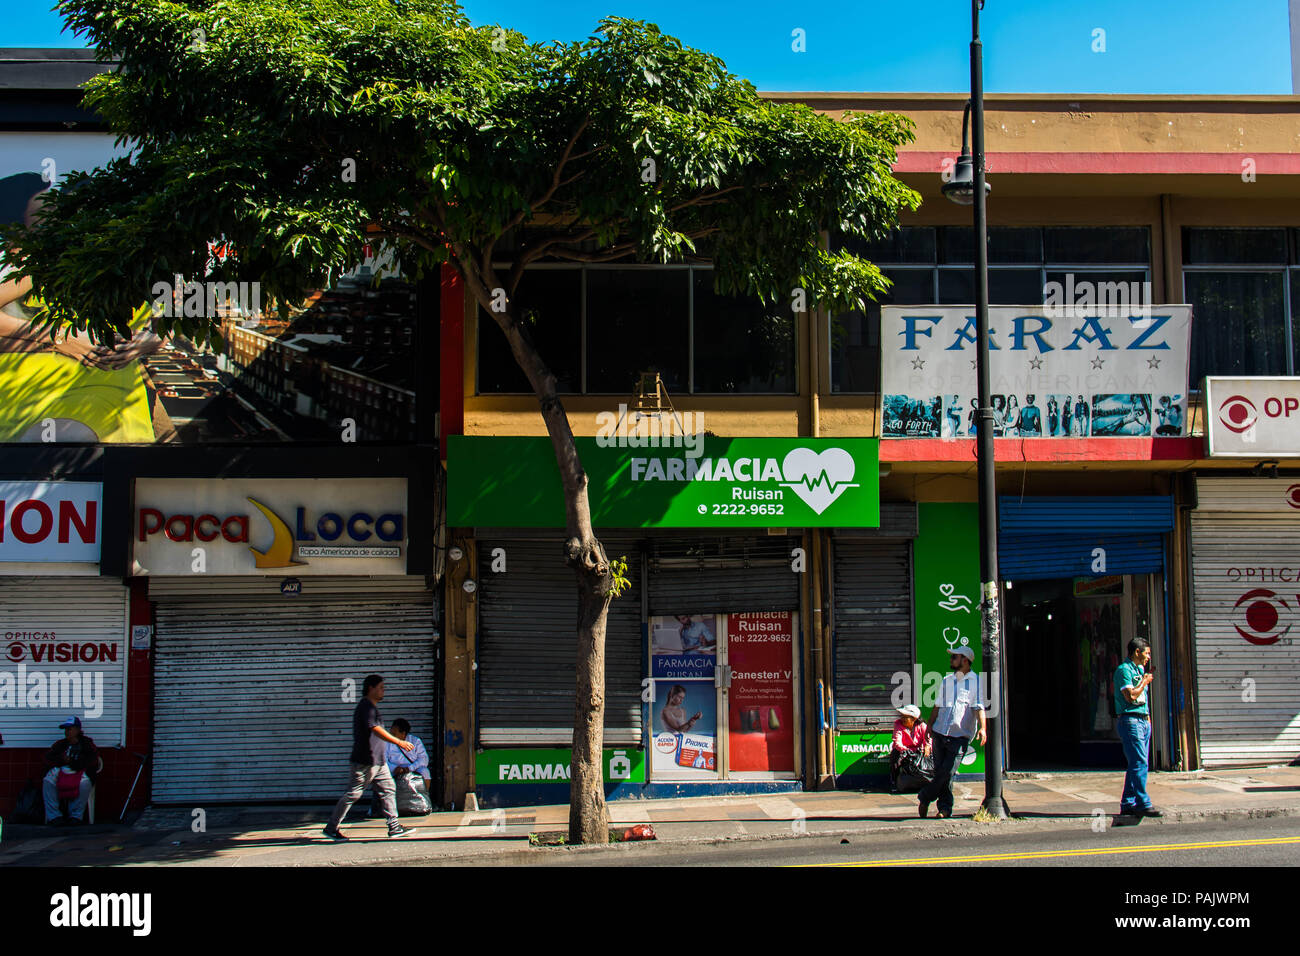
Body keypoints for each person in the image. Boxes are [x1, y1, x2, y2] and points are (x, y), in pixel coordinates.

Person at [324, 674, 417, 840]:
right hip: (366, 762)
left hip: (378, 762)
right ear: (370, 688)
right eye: (380, 687)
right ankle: (332, 827)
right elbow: (375, 729)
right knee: (353, 794)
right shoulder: (366, 707)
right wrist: (398, 742)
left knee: (389, 789)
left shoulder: (371, 707)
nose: (383, 691)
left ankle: (394, 827)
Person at [918, 645, 987, 819]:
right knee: (942, 775)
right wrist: (929, 726)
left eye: (954, 657)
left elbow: (978, 707)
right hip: (940, 732)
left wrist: (983, 728)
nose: (951, 660)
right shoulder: (947, 680)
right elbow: (937, 705)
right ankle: (945, 808)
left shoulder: (976, 682)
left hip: (960, 736)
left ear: (965, 660)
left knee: (947, 772)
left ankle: (925, 797)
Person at [1114, 638, 1162, 819]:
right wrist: (1145, 682)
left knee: (1137, 763)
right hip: (1130, 720)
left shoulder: (1139, 670)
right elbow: (1131, 697)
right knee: (1139, 763)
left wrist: (1148, 718)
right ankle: (1143, 803)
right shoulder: (1123, 670)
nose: (1149, 657)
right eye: (1147, 653)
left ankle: (1128, 803)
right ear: (1137, 652)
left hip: (1143, 721)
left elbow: (1143, 700)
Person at [42, 716, 99, 825]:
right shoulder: (60, 744)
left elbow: (92, 761)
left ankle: (75, 816)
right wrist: (61, 760)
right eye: (66, 729)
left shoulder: (87, 744)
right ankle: (54, 817)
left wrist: (72, 762)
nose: (67, 732)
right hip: (61, 771)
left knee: (85, 783)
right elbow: (47, 759)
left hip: (79, 771)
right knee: (48, 781)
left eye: (70, 729)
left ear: (77, 730)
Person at [890, 704, 931, 793]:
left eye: (906, 717)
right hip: (903, 751)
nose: (903, 719)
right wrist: (905, 750)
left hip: (918, 751)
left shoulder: (922, 726)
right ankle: (895, 783)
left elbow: (927, 739)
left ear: (914, 719)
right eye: (902, 716)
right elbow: (897, 741)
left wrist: (927, 747)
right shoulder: (898, 724)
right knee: (895, 757)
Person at [385, 718, 431, 790]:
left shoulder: (415, 741)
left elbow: (424, 759)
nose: (391, 736)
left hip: (412, 768)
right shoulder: (387, 742)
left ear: (403, 734)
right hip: (395, 770)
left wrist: (409, 768)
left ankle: (425, 796)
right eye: (391, 733)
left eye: (394, 734)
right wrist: (394, 768)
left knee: (425, 772)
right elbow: (384, 761)